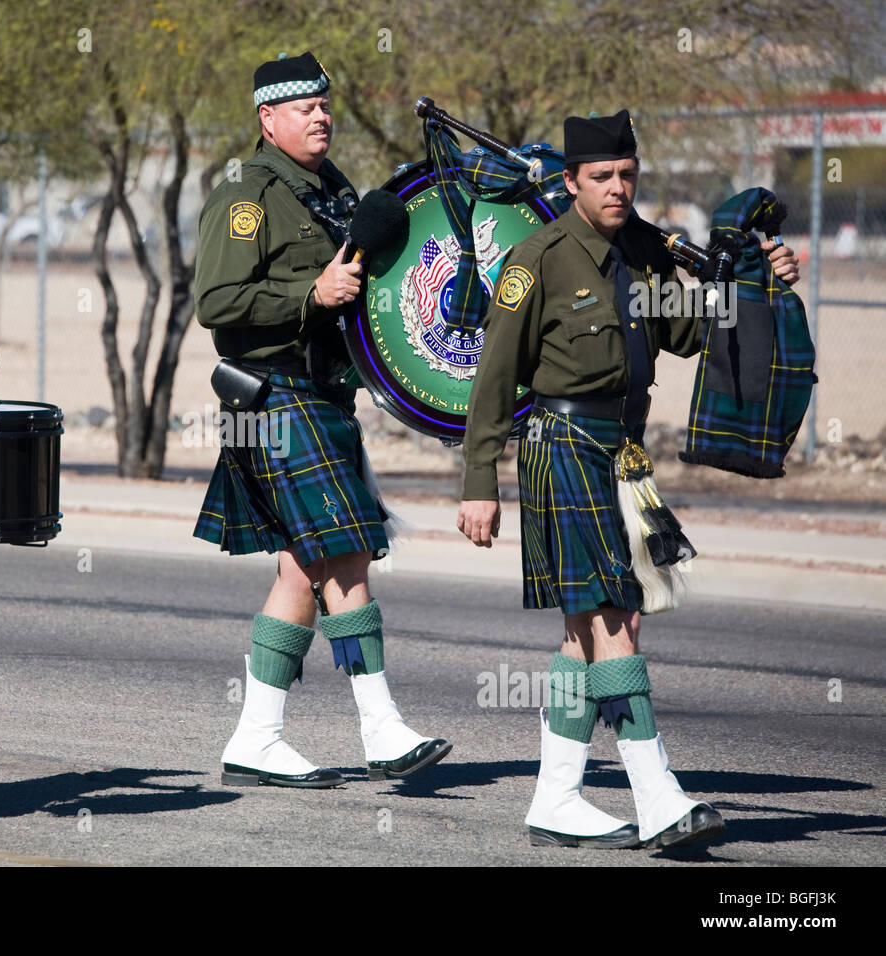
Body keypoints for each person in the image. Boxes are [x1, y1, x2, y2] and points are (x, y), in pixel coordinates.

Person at [456, 110, 799, 848]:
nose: (618, 188)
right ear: (572, 182)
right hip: (560, 442)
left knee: (598, 629)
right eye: (602, 177)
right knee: (611, 614)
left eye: (627, 175)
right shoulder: (536, 259)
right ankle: (659, 794)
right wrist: (479, 479)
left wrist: (755, 283)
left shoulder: (644, 252)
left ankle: (556, 797)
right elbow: (494, 376)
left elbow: (687, 333)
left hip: (622, 448)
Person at [193, 51, 450, 788]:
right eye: (302, 106)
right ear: (267, 119)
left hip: (324, 395)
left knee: (306, 569)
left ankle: (256, 736)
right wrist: (312, 293)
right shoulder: (246, 193)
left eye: (324, 104)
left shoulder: (331, 188)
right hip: (273, 394)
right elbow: (217, 304)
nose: (320, 115)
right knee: (345, 554)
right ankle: (382, 727)